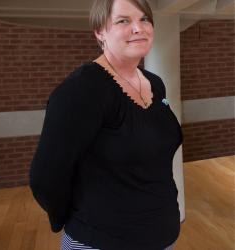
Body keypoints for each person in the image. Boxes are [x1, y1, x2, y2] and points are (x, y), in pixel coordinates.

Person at [29, 0, 183, 249]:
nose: (138, 28)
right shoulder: (80, 91)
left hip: (162, 235)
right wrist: (74, 217)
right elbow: (44, 178)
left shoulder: (155, 83)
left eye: (144, 19)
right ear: (99, 32)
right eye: (124, 21)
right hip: (101, 241)